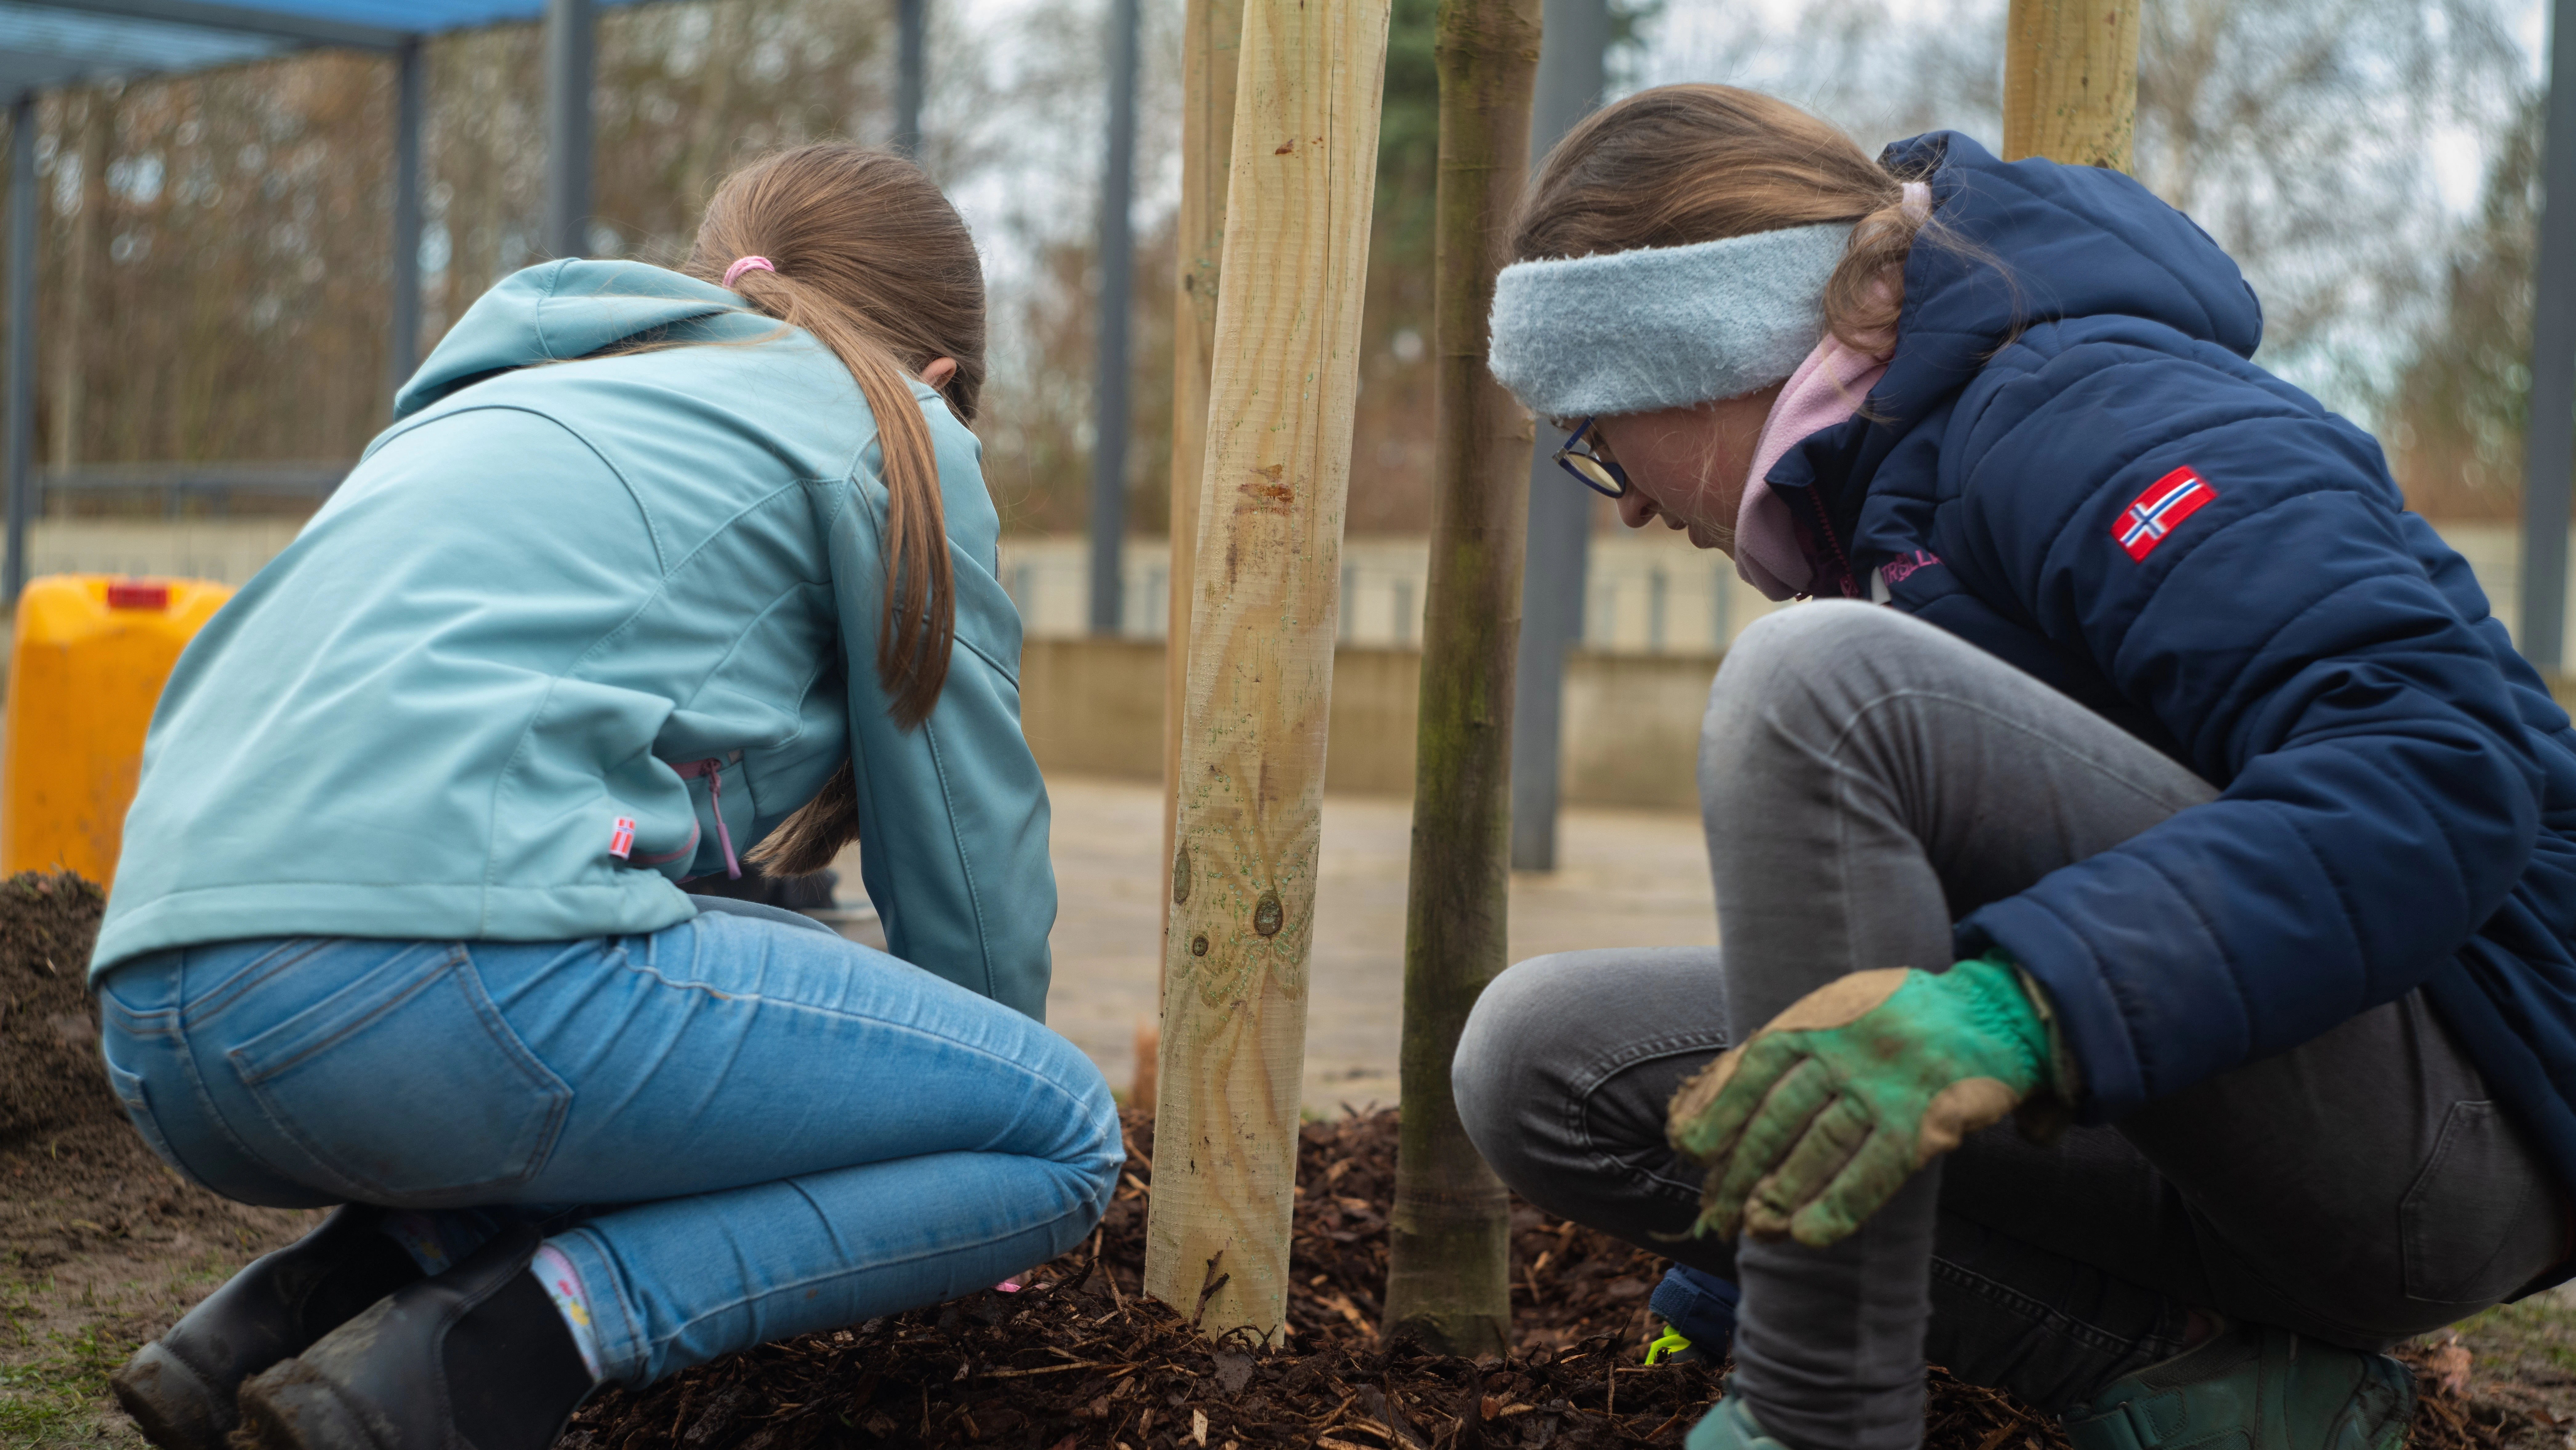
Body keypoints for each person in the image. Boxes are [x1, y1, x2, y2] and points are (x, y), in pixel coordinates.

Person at [1453, 84, 2576, 1450]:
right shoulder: (1901, 499)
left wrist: (2027, 1006)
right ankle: (2218, 1376)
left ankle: (1821, 1417)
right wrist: (1746, 1234)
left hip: (2470, 1127)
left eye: (1597, 430)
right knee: (1544, 1057)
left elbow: (2439, 759)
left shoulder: (2086, 407)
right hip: (2223, 1147)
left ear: (1700, 351)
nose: (1621, 498)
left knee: (1819, 683)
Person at [88, 143, 1123, 1450]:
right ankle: (502, 1351)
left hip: (157, 1020)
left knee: (727, 992)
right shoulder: (889, 424)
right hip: (413, 1004)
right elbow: (971, 871)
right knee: (1067, 1131)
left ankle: (284, 1318)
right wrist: (962, 1170)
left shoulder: (536, 392)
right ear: (941, 379)